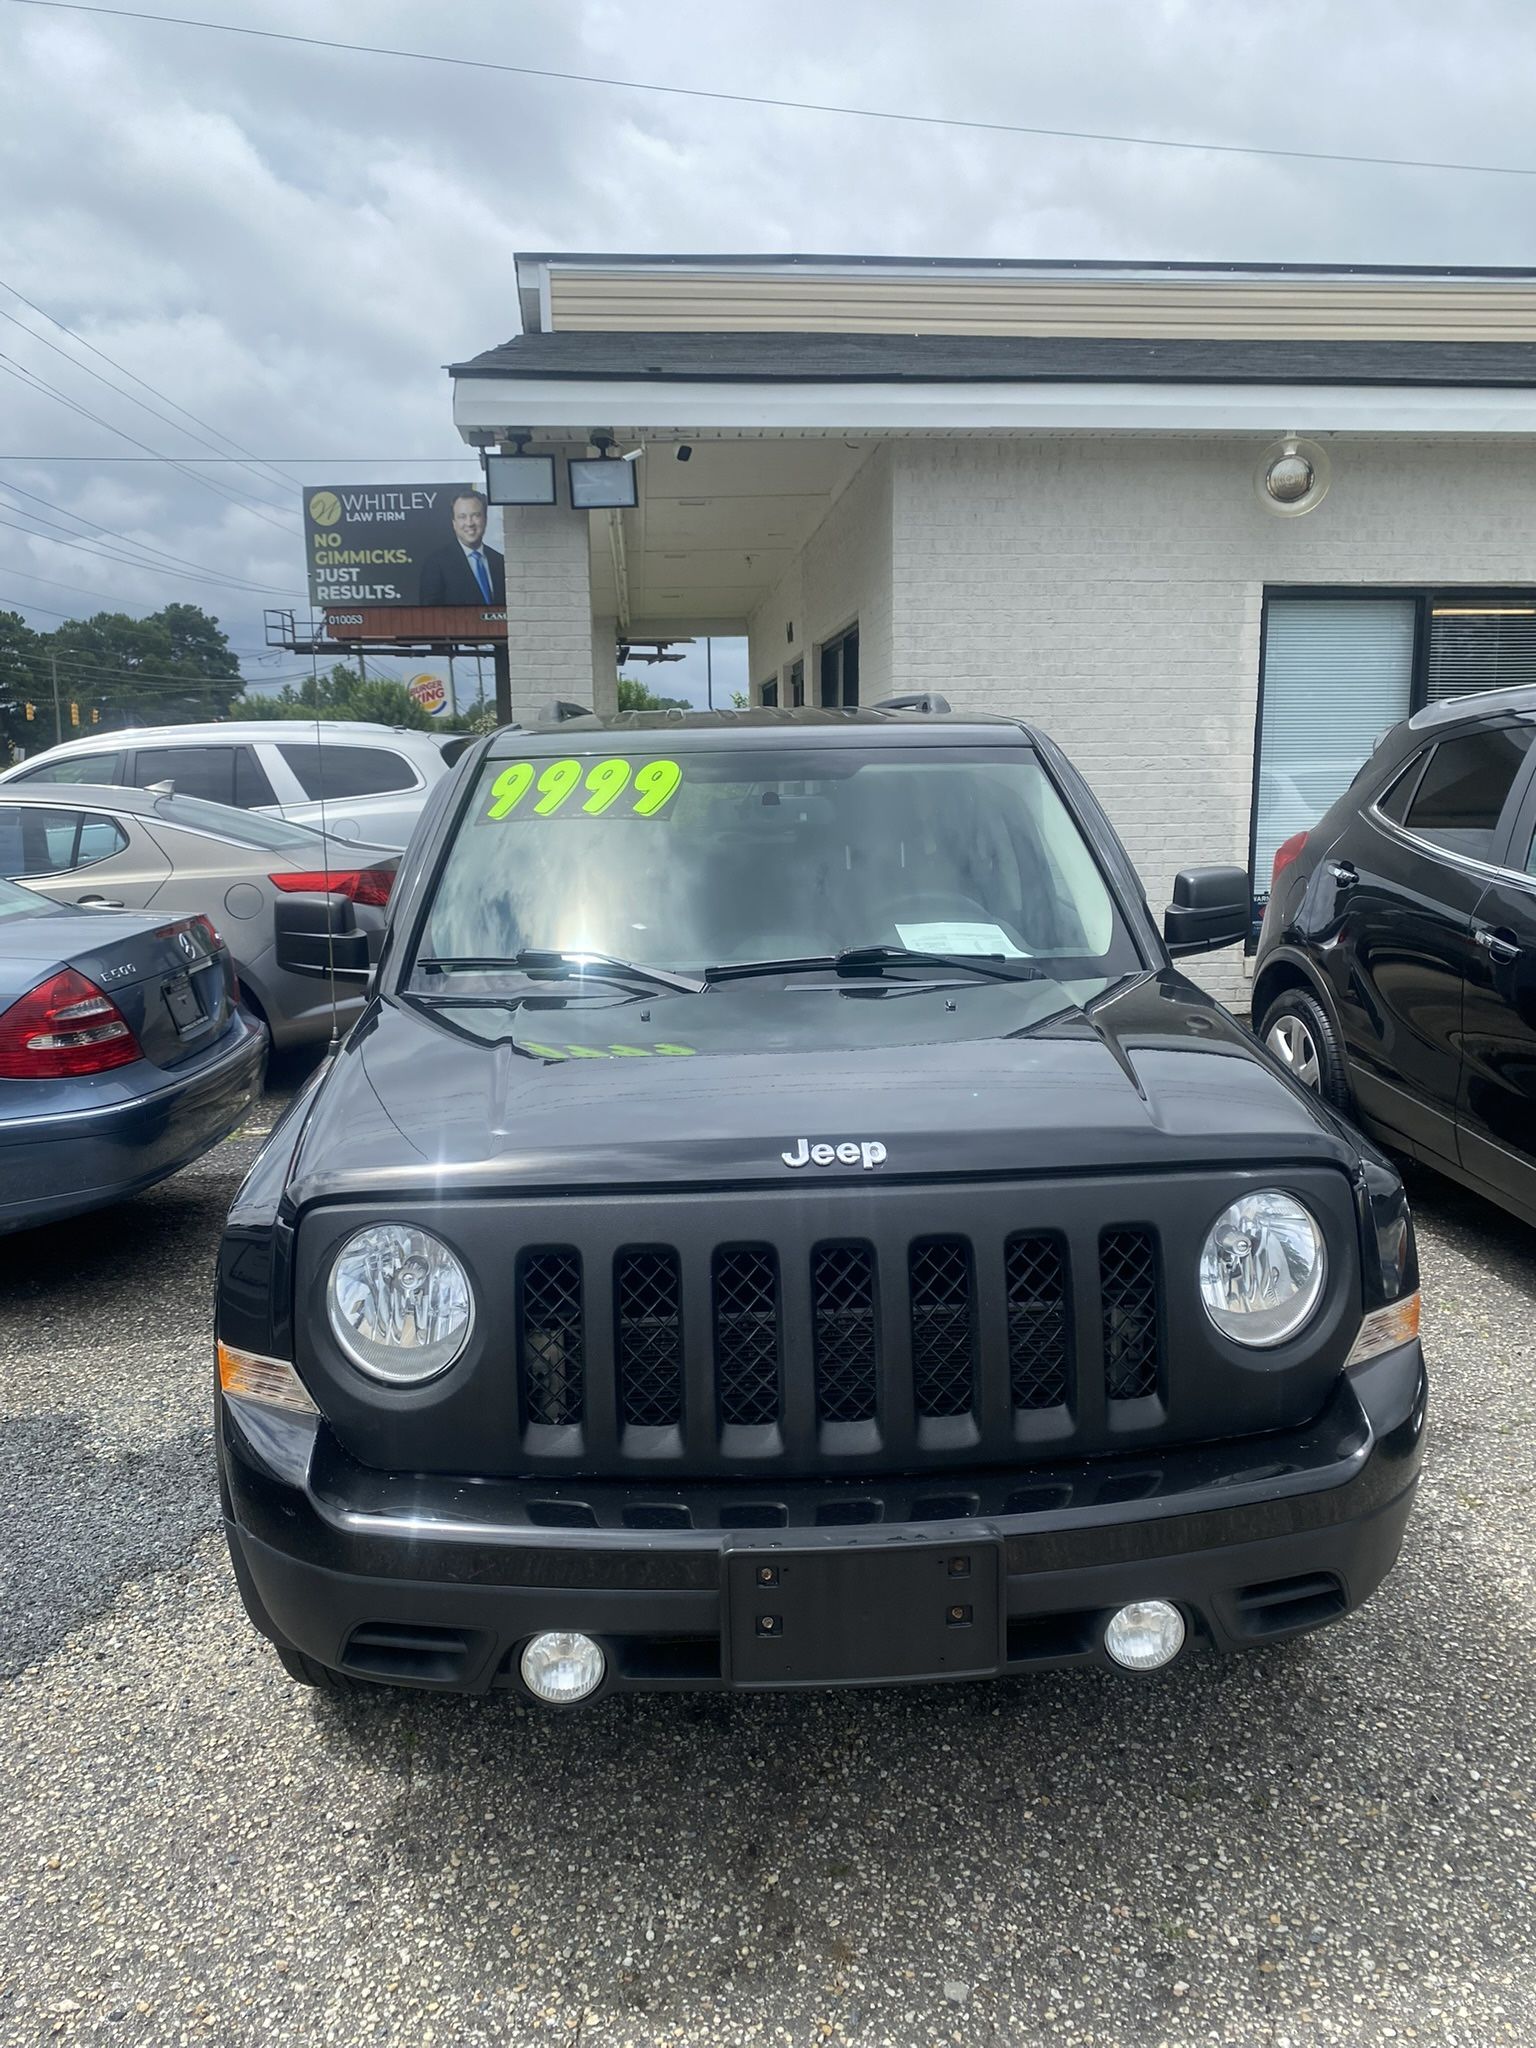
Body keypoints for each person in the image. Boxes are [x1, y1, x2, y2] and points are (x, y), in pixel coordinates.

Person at [417, 489, 506, 605]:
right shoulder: (436, 564)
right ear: (453, 522)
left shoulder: (500, 561)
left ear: (485, 519)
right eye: (462, 517)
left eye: (476, 515)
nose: (469, 523)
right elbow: (430, 614)